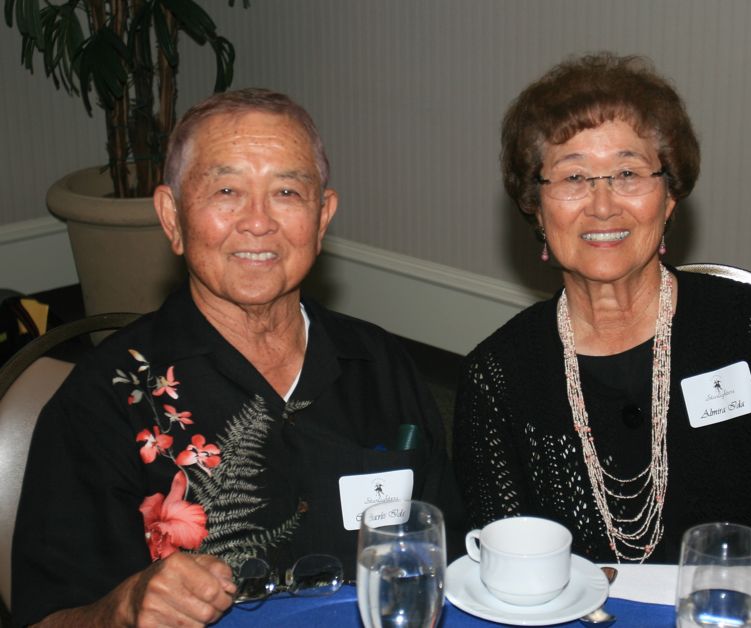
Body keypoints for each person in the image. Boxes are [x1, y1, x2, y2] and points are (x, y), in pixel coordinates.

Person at [13, 88, 464, 626]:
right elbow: (46, 619)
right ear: (172, 217)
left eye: (287, 193)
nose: (257, 221)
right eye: (227, 189)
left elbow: (453, 564)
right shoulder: (106, 399)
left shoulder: (382, 365)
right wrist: (124, 609)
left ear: (322, 218)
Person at [453, 53, 751, 583]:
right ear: (536, 206)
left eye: (627, 173)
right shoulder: (497, 378)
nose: (602, 204)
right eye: (574, 176)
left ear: (668, 198)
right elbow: (505, 577)